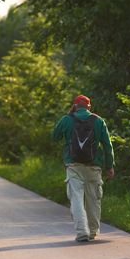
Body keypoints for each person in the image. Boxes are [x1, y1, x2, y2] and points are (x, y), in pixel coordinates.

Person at [52, 95, 115, 242]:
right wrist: (110, 166)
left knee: (77, 199)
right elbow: (107, 145)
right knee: (94, 200)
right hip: (94, 167)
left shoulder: (67, 119)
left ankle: (82, 232)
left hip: (73, 166)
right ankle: (93, 231)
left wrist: (66, 120)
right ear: (89, 107)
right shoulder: (99, 121)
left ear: (74, 105)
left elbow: (54, 136)